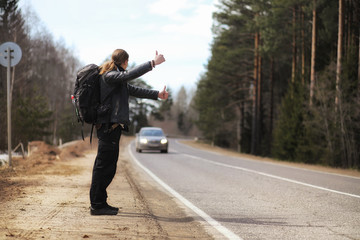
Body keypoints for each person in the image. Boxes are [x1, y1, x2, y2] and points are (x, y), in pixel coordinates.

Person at [89, 49, 168, 215]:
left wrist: (157, 95)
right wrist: (152, 63)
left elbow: (134, 90)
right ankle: (97, 205)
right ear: (124, 61)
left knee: (109, 167)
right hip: (107, 127)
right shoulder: (109, 76)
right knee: (103, 167)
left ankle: (101, 202)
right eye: (127, 61)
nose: (127, 64)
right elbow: (128, 76)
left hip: (113, 128)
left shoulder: (117, 79)